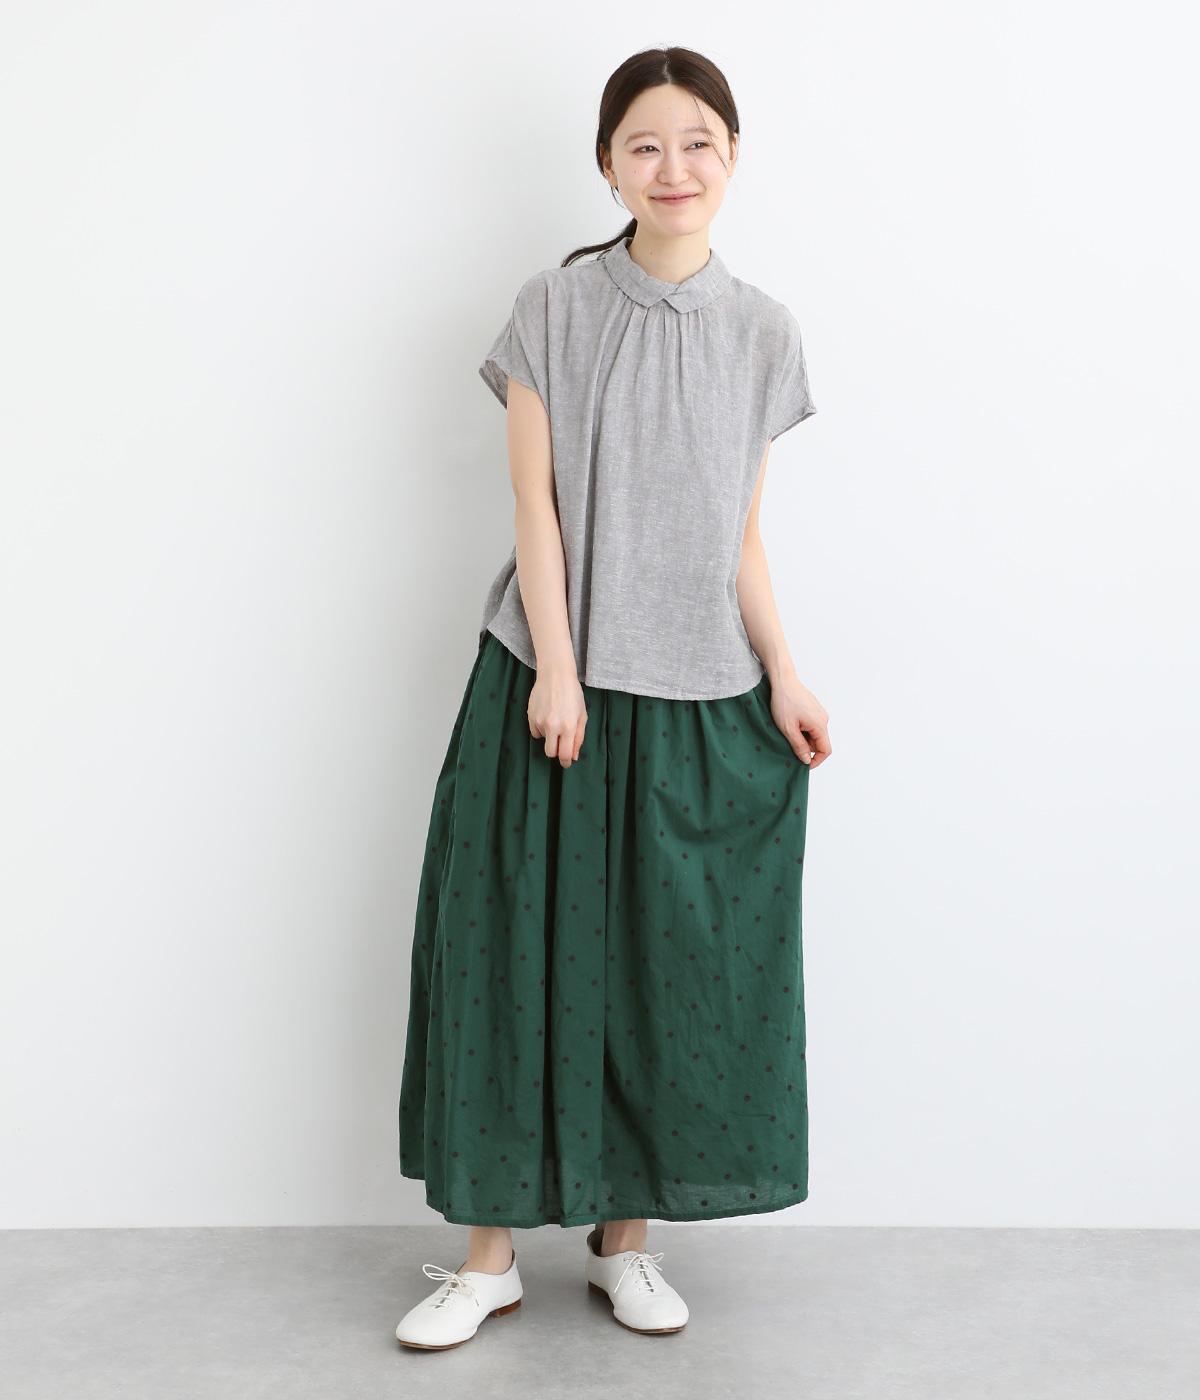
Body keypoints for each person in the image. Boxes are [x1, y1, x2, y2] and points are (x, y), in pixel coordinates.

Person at [395, 44, 832, 1351]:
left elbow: (739, 536)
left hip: (699, 699)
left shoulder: (765, 332)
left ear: (733, 158)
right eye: (645, 143)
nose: (673, 166)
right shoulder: (554, 308)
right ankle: (486, 1260)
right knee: (508, 958)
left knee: (660, 972)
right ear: (607, 165)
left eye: (698, 142)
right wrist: (559, 666)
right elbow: (532, 504)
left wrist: (787, 672)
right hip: (550, 687)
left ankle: (625, 1244)